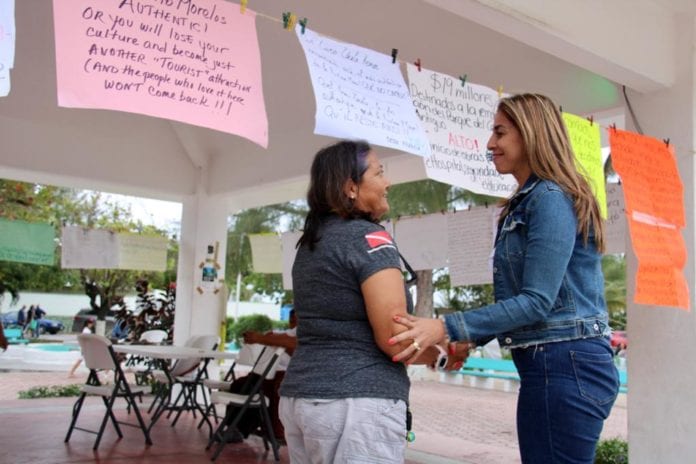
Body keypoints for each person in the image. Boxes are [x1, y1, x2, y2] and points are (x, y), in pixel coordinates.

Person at [389, 94, 620, 464]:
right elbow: (527, 303)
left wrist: (445, 327)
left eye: (500, 132)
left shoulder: (548, 198)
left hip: (563, 364)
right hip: (556, 364)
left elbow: (537, 302)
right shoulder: (528, 201)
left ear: (529, 134)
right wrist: (471, 339)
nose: (490, 144)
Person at [278, 140, 466, 463]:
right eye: (379, 173)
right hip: (355, 405)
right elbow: (395, 340)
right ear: (351, 188)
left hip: (302, 399)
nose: (387, 182)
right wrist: (444, 348)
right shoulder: (370, 238)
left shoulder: (310, 245)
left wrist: (437, 356)